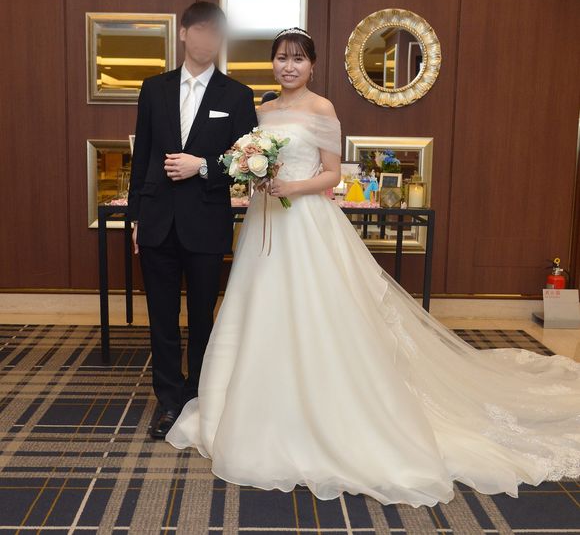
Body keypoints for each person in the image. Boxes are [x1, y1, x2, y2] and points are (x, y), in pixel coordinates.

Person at [165, 27, 580, 507]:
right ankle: (255, 406)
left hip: (305, 221)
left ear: (312, 65)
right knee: (258, 309)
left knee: (316, 313)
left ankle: (324, 406)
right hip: (264, 222)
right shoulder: (263, 110)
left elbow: (331, 173)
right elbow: (246, 160)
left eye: (298, 59)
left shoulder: (322, 109)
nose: (288, 67)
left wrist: (291, 187)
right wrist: (254, 174)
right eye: (281, 58)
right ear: (272, 63)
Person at [127, 1, 257, 439]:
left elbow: (245, 163)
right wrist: (136, 217)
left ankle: (198, 396)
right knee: (162, 318)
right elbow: (142, 157)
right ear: (183, 33)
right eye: (199, 30)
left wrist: (201, 166)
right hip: (157, 220)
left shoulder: (236, 95)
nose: (206, 39)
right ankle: (168, 401)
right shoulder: (154, 88)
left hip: (206, 221)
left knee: (202, 316)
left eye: (214, 32)